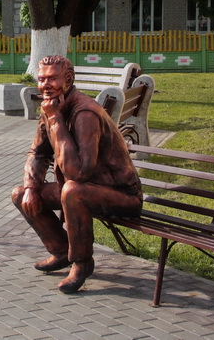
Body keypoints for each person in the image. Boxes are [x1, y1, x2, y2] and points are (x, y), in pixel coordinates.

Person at [11, 55, 143, 293]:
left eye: (52, 79)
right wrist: (31, 187)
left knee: (73, 191)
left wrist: (55, 118)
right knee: (21, 194)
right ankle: (61, 251)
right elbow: (38, 153)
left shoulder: (84, 113)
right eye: (41, 79)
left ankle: (82, 263)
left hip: (120, 194)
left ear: (69, 79)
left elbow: (79, 173)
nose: (45, 85)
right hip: (84, 189)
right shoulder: (52, 106)